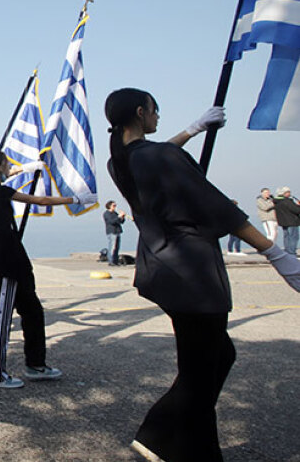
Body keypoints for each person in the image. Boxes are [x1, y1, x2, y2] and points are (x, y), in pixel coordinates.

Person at [104, 89, 300, 462]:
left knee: (216, 356)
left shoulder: (121, 161)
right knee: (201, 370)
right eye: (156, 110)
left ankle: (159, 437)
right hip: (192, 272)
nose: (158, 117)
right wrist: (274, 252)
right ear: (142, 112)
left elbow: (159, 154)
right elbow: (214, 206)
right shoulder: (158, 157)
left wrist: (193, 130)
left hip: (162, 267)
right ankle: (175, 443)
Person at [0, 149, 92, 390]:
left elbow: (8, 174)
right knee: (2, 318)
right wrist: (75, 200)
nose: (9, 168)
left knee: (33, 311)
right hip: (5, 260)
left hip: (15, 259)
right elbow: (41, 201)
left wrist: (30, 167)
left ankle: (36, 364)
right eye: (6, 164)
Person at [274, 187, 300, 255]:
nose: (290, 193)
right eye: (288, 192)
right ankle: (292, 252)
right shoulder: (287, 201)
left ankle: (288, 251)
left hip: (283, 222)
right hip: (292, 221)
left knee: (287, 237)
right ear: (285, 193)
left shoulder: (277, 202)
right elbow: (296, 210)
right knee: (293, 237)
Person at [103, 200, 126, 266]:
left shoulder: (115, 213)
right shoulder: (106, 214)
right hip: (112, 232)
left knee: (117, 248)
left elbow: (121, 222)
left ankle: (115, 261)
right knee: (112, 247)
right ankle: (111, 261)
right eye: (113, 205)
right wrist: (118, 216)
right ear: (109, 206)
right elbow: (112, 221)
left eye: (115, 205)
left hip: (117, 231)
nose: (115, 207)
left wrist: (122, 217)